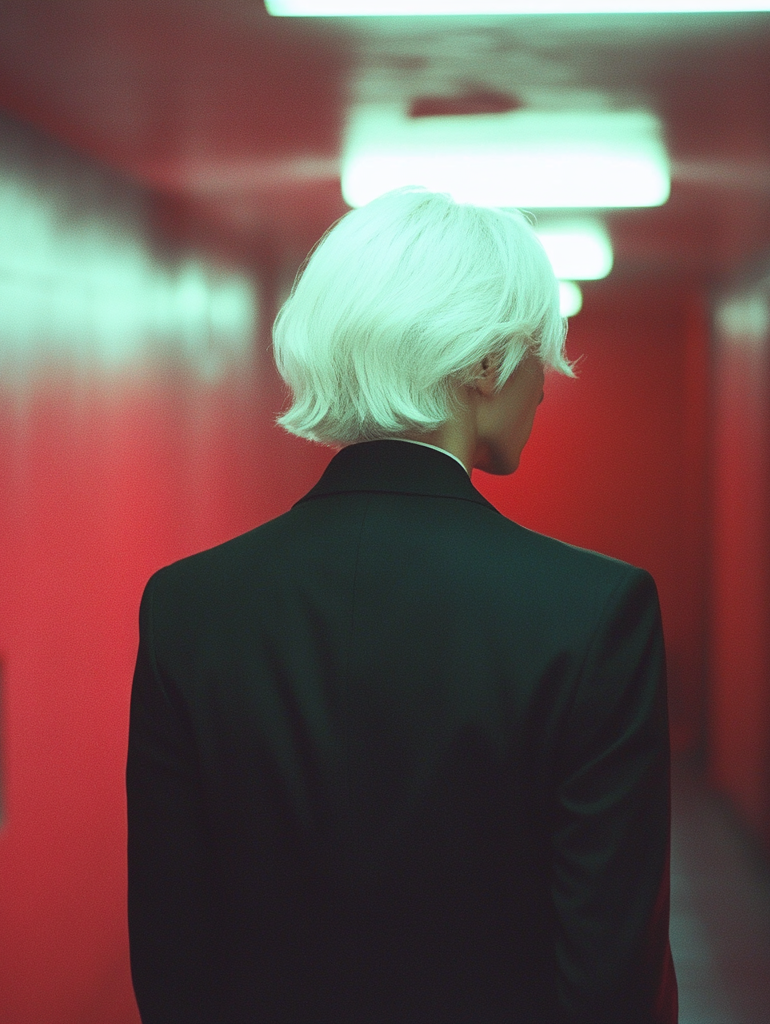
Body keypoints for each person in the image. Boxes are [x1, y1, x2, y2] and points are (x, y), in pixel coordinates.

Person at [127, 187, 678, 1023]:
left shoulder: (186, 608)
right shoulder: (596, 612)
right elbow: (610, 976)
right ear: (487, 366)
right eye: (539, 357)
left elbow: (171, 959)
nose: (545, 387)